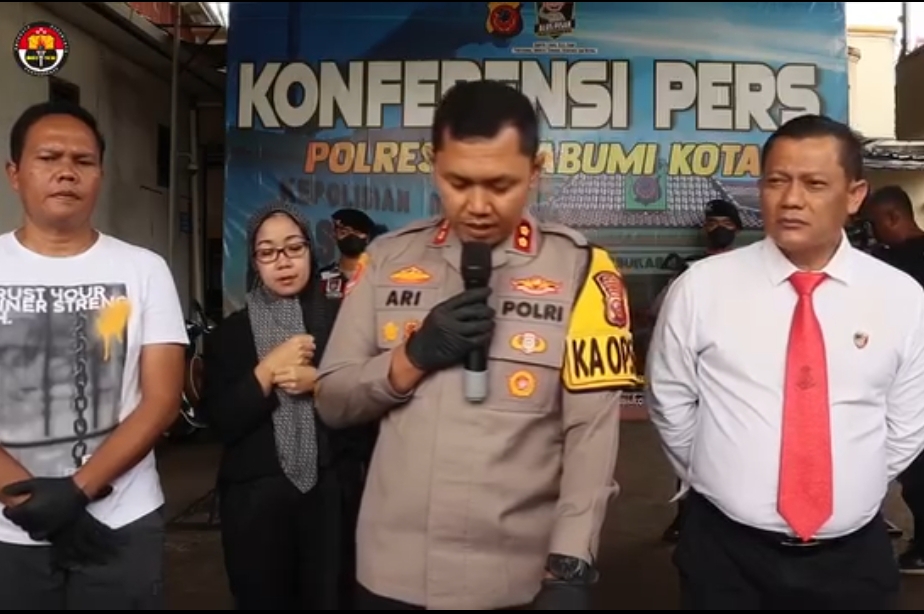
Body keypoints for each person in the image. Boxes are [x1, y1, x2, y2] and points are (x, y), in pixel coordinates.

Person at [314, 79, 639, 610]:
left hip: (515, 579)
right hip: (393, 573)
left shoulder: (581, 271)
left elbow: (591, 438)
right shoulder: (388, 261)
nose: (479, 205)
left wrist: (570, 565)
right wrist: (408, 359)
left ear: (536, 171)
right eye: (458, 182)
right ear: (433, 166)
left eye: (501, 184)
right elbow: (332, 401)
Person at [646, 113, 924, 610]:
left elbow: (907, 422)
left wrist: (849, 482)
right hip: (725, 554)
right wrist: (722, 474)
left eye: (814, 184)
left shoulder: (901, 298)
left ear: (854, 195)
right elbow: (670, 402)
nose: (791, 199)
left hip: (853, 559)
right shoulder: (701, 289)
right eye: (777, 181)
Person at [0, 101, 188, 609]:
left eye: (83, 161)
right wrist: (33, 504)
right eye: (48, 158)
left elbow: (162, 400)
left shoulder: (144, 269)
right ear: (15, 173)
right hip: (8, 531)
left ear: (100, 175)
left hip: (120, 522)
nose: (67, 171)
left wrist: (78, 491)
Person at [201, 202, 370, 609]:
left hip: (333, 495)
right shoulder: (229, 334)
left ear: (311, 250)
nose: (283, 261)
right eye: (267, 252)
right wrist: (266, 372)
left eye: (294, 248)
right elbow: (222, 423)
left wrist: (321, 385)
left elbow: (370, 407)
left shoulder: (346, 323)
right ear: (254, 261)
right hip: (256, 503)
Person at [652, 199, 742, 543]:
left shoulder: (747, 270)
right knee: (689, 436)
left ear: (738, 229)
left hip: (733, 370)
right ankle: (686, 514)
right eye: (713, 222)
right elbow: (660, 310)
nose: (719, 229)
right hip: (693, 368)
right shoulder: (688, 269)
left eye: (726, 223)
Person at [861, 184, 924, 571]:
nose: (874, 232)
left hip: (910, 377)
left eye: (875, 223)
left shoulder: (897, 265)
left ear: (893, 217)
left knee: (915, 468)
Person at [317, 208, 376, 300]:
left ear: (368, 238)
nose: (351, 236)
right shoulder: (320, 278)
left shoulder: (379, 277)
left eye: (357, 232)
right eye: (344, 232)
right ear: (334, 236)